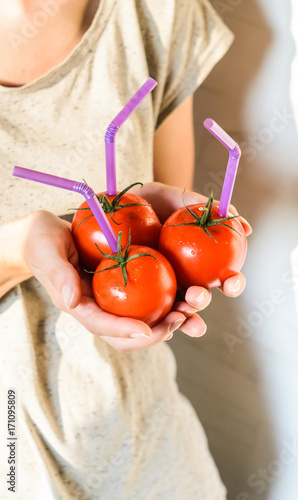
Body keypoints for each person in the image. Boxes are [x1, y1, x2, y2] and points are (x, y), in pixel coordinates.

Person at [0, 0, 251, 498]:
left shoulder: (155, 12)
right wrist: (20, 248)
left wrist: (183, 253)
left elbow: (167, 239)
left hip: (150, 452)